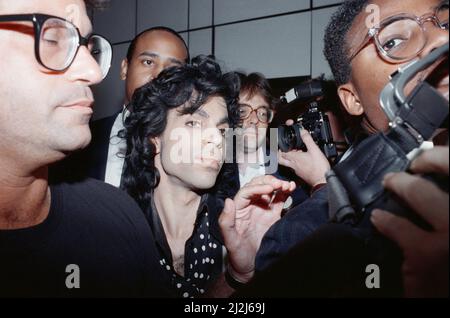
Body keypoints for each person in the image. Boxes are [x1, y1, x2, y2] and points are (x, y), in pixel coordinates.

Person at [0, 0, 169, 297]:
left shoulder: (117, 219)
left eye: (88, 47)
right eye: (52, 38)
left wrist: (236, 276)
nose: (92, 71)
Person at [120, 55, 296, 298]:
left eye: (223, 130)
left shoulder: (233, 227)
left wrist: (238, 274)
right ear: (154, 136)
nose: (216, 139)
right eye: (193, 123)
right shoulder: (115, 229)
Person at [56, 26, 189, 186]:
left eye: (172, 69)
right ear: (125, 68)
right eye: (148, 62)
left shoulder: (202, 141)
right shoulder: (78, 142)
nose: (158, 76)